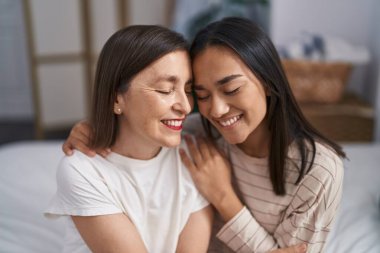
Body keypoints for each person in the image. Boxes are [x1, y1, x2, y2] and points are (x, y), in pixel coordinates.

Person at [63, 17, 343, 253]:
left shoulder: (318, 171)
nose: (217, 110)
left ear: (268, 82)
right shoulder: (197, 135)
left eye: (231, 89)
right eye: (201, 95)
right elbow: (144, 126)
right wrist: (92, 126)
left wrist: (223, 196)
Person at [45, 25, 214, 253]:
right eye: (165, 90)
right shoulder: (82, 170)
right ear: (116, 98)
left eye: (188, 89)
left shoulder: (195, 157)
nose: (185, 106)